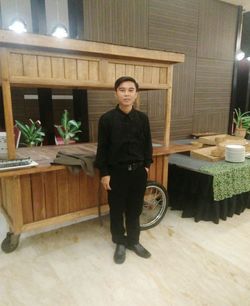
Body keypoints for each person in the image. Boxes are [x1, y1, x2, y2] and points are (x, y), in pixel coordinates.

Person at [95, 76, 153, 264]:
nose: (126, 94)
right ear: (116, 93)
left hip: (138, 173)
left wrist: (146, 166)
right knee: (116, 209)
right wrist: (104, 173)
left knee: (135, 210)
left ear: (136, 93)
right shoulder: (107, 119)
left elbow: (147, 145)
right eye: (122, 90)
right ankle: (120, 242)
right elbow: (102, 149)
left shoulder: (143, 119)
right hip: (116, 173)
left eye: (130, 90)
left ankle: (134, 241)